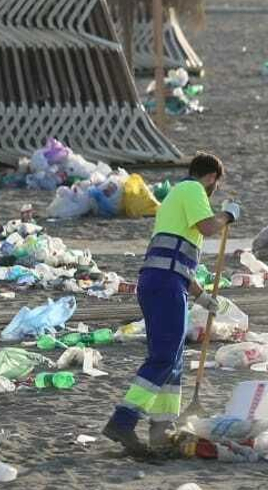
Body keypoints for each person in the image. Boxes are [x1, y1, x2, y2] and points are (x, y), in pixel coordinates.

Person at [101, 153, 239, 458]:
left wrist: (202, 297)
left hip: (163, 281)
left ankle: (161, 431)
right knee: (163, 358)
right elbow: (207, 227)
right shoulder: (192, 190)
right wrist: (228, 216)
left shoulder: (176, 200)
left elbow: (177, 259)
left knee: (173, 362)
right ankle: (123, 420)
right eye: (217, 184)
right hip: (165, 285)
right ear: (212, 178)